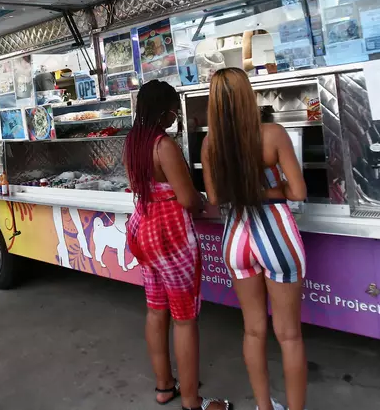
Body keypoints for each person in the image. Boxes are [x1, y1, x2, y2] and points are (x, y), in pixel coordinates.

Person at [202, 68, 308, 410]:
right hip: (275, 232)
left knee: (252, 331)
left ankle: (264, 407)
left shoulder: (210, 144)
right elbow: (299, 192)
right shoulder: (273, 134)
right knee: (289, 335)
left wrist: (244, 189)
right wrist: (269, 188)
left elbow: (216, 199)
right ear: (249, 96)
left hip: (236, 238)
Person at [124, 80, 233, 410]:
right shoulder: (163, 145)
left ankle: (164, 385)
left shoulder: (133, 142)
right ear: (165, 110)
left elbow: (139, 186)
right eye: (173, 109)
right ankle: (191, 401)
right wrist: (204, 201)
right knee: (184, 318)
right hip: (169, 235)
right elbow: (187, 198)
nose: (175, 116)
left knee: (157, 309)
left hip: (141, 228)